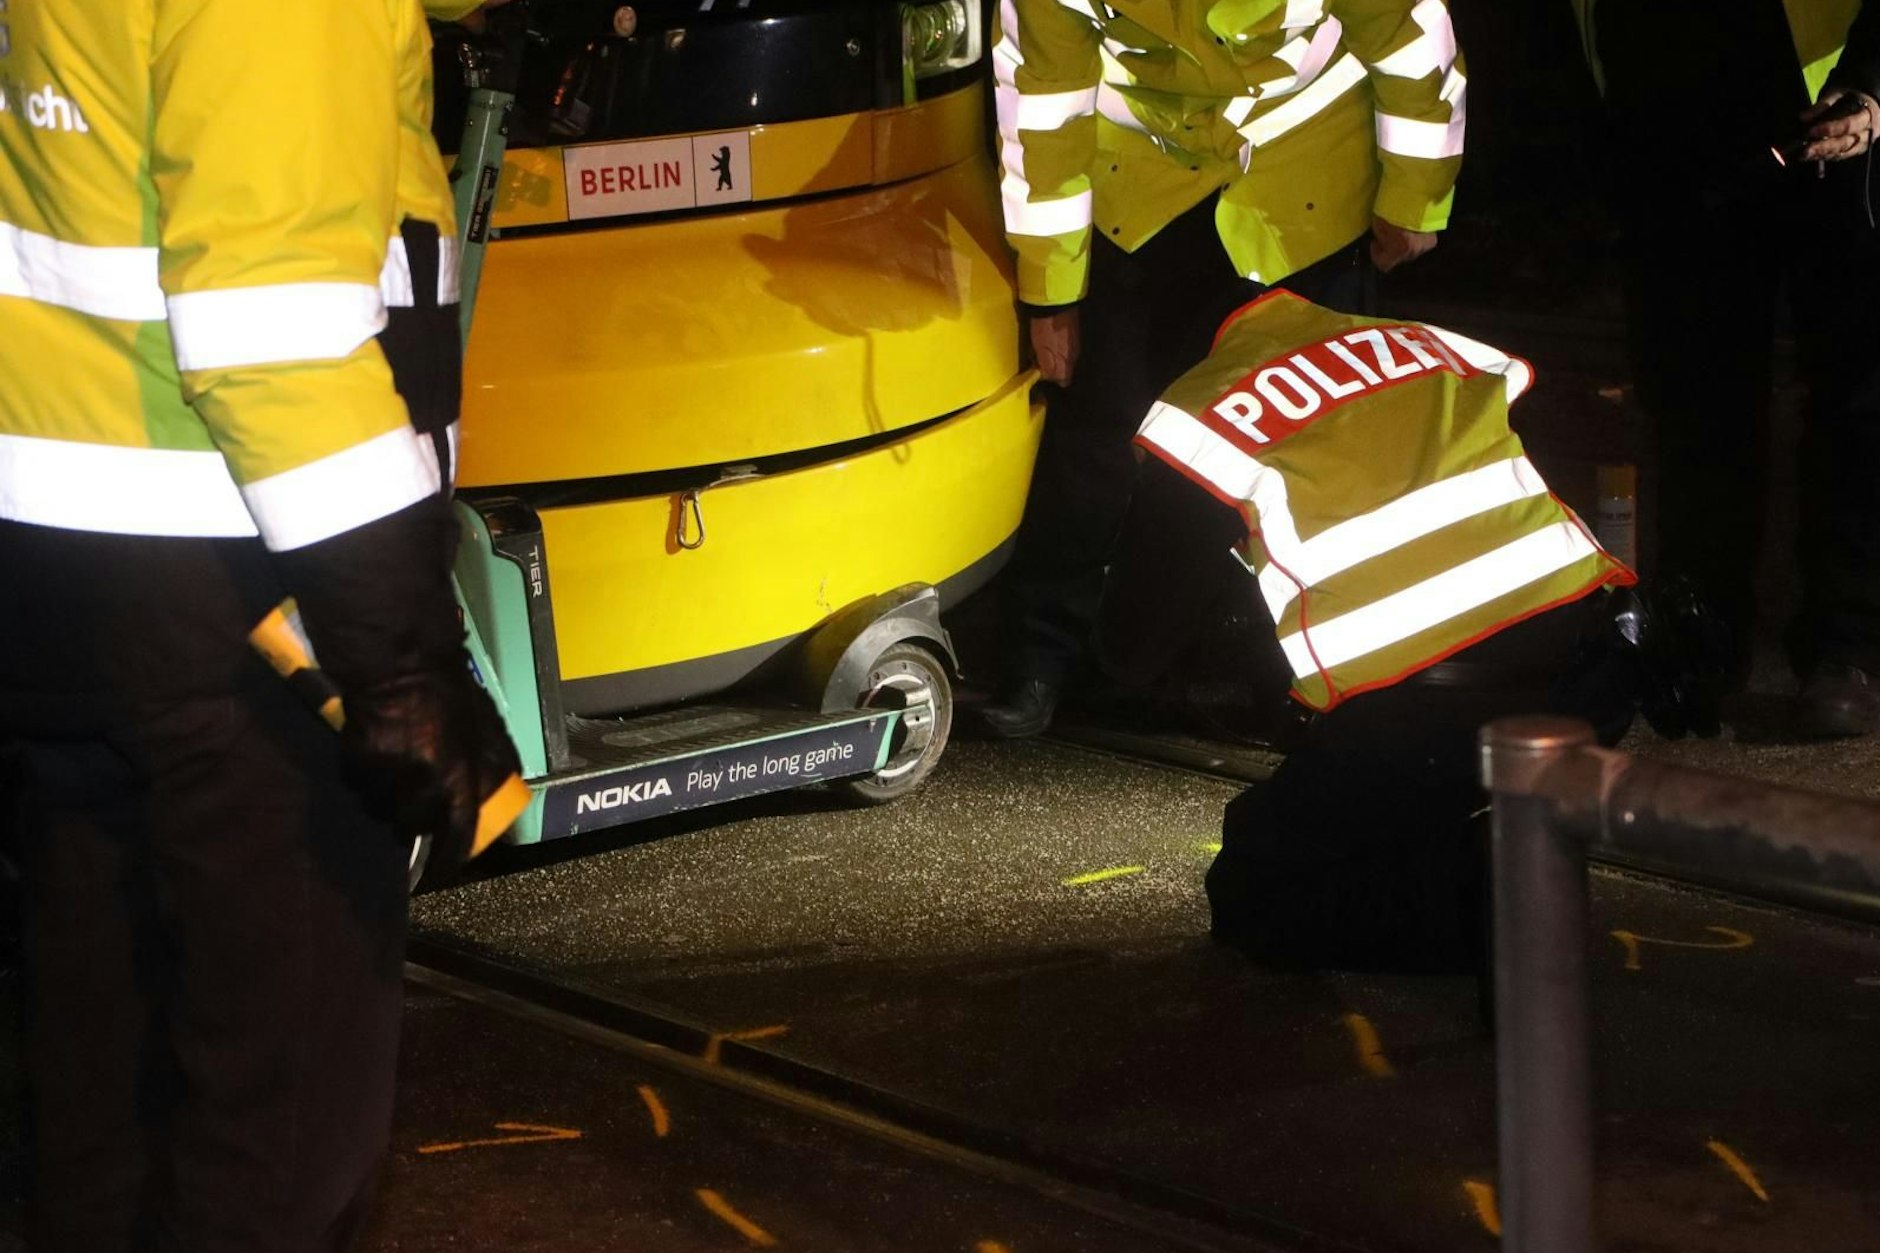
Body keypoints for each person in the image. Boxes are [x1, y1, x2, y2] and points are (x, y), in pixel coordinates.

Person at [0, 2, 519, 1250]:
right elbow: (271, 341)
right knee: (281, 1132)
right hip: (240, 593)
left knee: (91, 1092)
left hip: (54, 578)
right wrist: (401, 660)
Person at [978, 0, 1467, 738]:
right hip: (1139, 190)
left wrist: (1414, 197)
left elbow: (1412, 40)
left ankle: (1289, 671)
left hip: (1302, 194)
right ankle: (1045, 659)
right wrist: (1052, 289)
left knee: (1298, 447)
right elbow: (1043, 100)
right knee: (1100, 435)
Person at [1132, 292, 1637, 971]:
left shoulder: (1204, 408)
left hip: (1434, 716)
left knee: (1255, 888)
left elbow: (1131, 646)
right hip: (1594, 674)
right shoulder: (1421, 341)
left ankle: (1482, 907)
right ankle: (1488, 838)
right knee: (1386, 805)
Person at [1571, 0, 1880, 737]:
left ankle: (1852, 643)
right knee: (1696, 389)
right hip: (1679, 95)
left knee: (1860, 392)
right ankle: (1701, 631)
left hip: (1837, 105)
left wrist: (1873, 83)